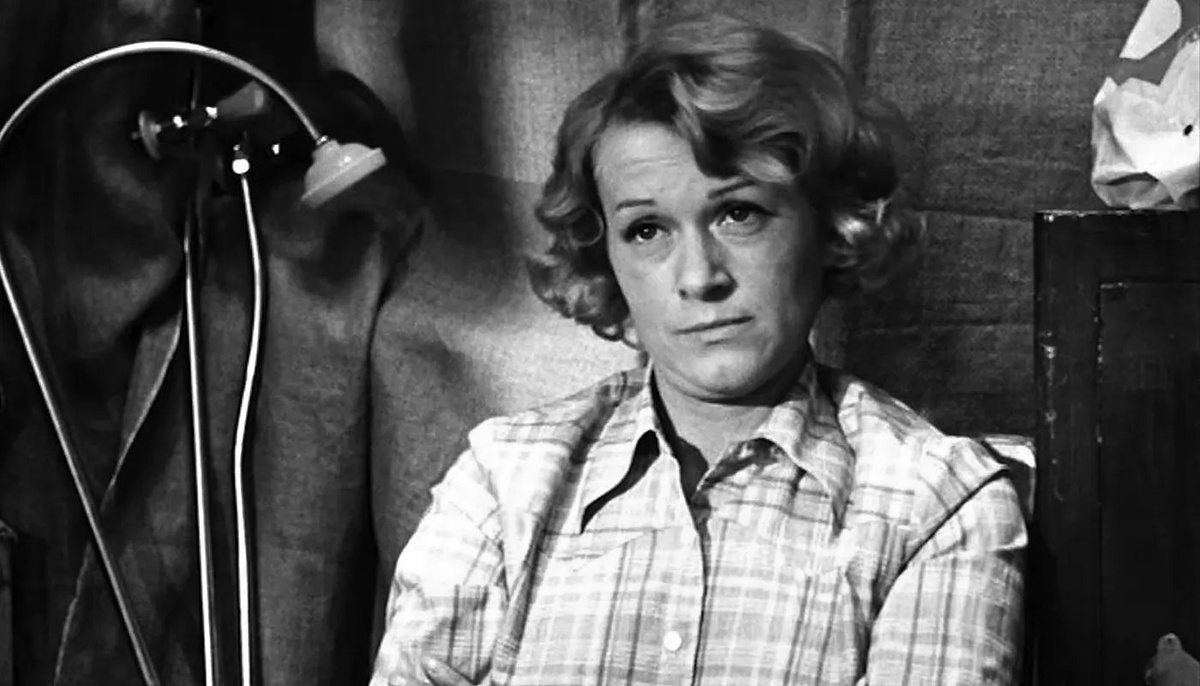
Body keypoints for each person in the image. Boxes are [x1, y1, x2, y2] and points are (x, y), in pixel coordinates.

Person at [370, 12, 1027, 686]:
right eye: (647, 230)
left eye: (739, 214)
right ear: (605, 256)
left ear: (828, 226)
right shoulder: (502, 482)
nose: (699, 277)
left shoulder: (936, 503)